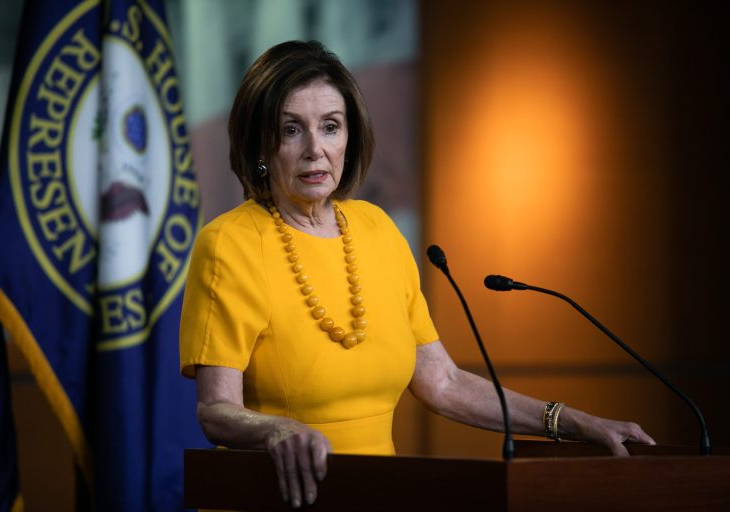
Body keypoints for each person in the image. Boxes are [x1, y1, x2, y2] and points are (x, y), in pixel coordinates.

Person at [179, 40, 655, 509]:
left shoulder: (377, 230)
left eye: (330, 126)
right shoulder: (229, 244)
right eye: (290, 130)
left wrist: (570, 422)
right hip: (276, 499)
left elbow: (442, 382)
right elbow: (215, 410)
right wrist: (277, 430)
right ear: (260, 143)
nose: (315, 149)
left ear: (350, 137)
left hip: (379, 495)